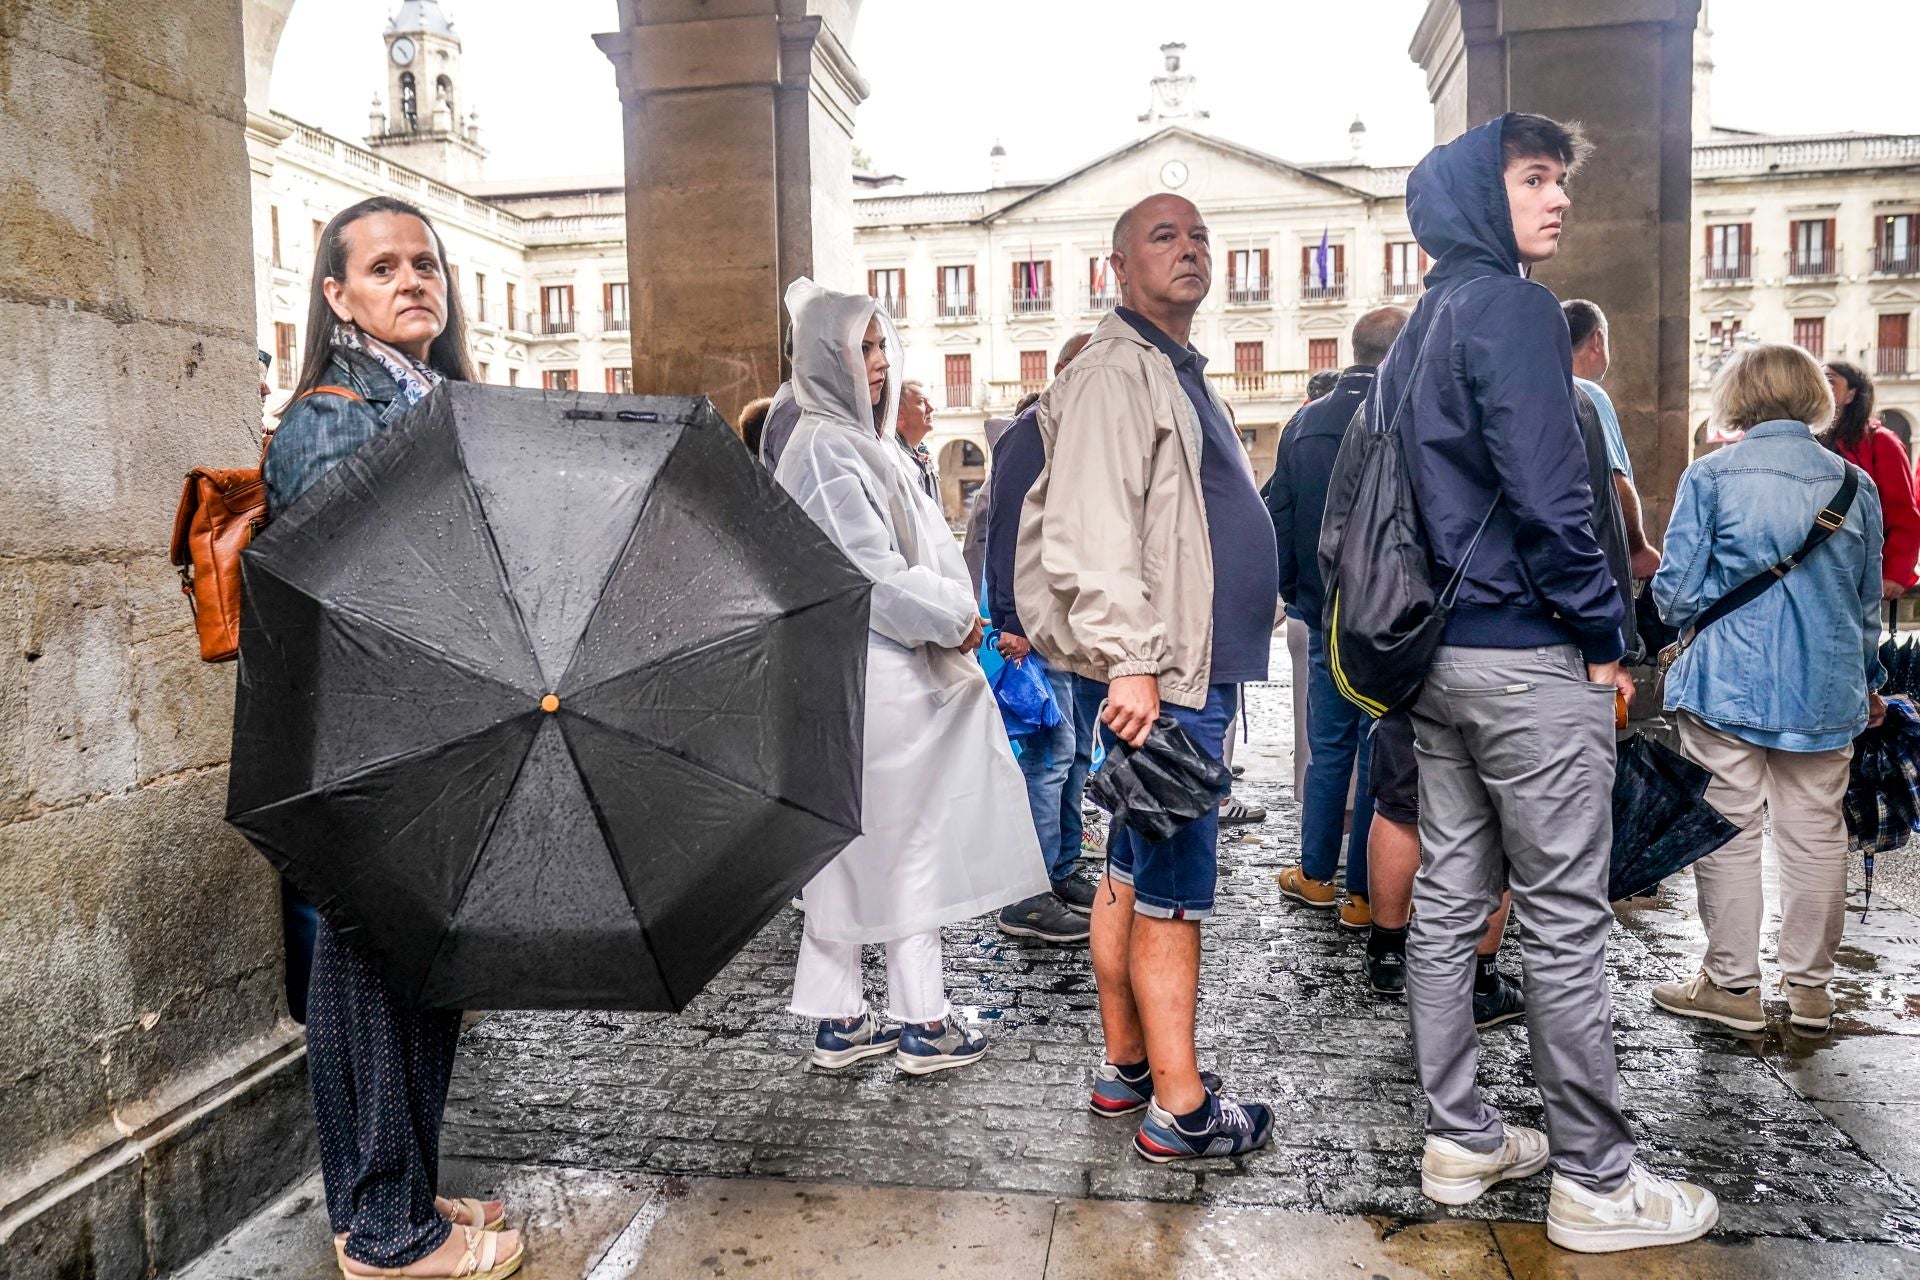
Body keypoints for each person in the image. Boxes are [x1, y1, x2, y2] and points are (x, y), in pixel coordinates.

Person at [1388, 114, 1715, 1252]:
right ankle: (1595, 1179)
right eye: (1534, 178)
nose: (1559, 198)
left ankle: (1461, 1134)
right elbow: (1550, 495)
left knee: (1448, 900)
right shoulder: (1518, 310)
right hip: (1530, 656)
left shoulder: (1421, 323)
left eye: (1560, 179)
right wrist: (1602, 633)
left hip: (1439, 660)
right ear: (1486, 194)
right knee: (1567, 915)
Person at [264, 196, 523, 1280]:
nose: (415, 279)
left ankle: (399, 1192)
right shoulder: (334, 413)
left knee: (422, 964)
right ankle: (383, 1231)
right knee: (371, 964)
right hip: (376, 738)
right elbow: (353, 594)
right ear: (336, 295)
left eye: (426, 263)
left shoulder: (430, 399)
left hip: (437, 729)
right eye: (383, 268)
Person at [1018, 194, 1276, 1160]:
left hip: (1179, 672)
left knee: (1128, 873)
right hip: (1165, 678)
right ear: (1117, 268)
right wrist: (1132, 660)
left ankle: (1127, 1069)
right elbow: (1091, 528)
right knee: (1172, 890)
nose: (1190, 250)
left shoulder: (1171, 368)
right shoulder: (1116, 371)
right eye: (1163, 237)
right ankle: (1183, 1108)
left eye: (1202, 234)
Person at [774, 277, 1047, 1076]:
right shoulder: (827, 447)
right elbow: (868, 576)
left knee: (858, 847)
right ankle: (923, 1021)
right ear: (825, 356)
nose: (879, 363)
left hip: (873, 674)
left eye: (881, 343)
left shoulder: (855, 443)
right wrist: (954, 618)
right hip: (881, 674)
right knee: (910, 844)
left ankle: (842, 1017)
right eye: (860, 347)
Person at [1652, 344, 1884, 1037]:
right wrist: (1867, 679)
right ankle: (1811, 994)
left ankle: (1732, 986)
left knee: (1728, 832)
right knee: (1816, 834)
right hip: (1826, 684)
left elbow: (1676, 595)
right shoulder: (1852, 483)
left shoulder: (1713, 475)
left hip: (1729, 683)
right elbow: (1866, 599)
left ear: (1740, 397)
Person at [1272, 306, 1409, 924]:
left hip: (1323, 608)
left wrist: (1295, 591)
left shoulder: (1304, 423)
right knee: (1375, 748)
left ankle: (1316, 874)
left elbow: (1279, 513)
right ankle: (1362, 894)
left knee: (1327, 749)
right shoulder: (1404, 411)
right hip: (1388, 616)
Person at [984, 334, 1097, 944]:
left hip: (1074, 622)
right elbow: (1009, 528)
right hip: (1042, 621)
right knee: (1053, 755)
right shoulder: (1033, 432)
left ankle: (1060, 867)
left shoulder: (1075, 431)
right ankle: (1025, 894)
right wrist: (1013, 620)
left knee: (1074, 753)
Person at [1564, 299, 1660, 579]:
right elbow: (1614, 482)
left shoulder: (1540, 390)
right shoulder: (1588, 394)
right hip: (1597, 556)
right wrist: (1639, 551)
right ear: (1598, 339)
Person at [1824, 360, 1920, 599]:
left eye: (1830, 380)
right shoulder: (1806, 439)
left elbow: (1903, 515)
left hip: (1859, 576)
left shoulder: (1881, 442)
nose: (1820, 386)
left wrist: (1894, 574)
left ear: (1852, 394)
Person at [894, 379, 940, 500]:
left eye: (928, 402)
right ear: (899, 414)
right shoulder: (894, 460)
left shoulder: (926, 458)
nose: (931, 408)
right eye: (921, 402)